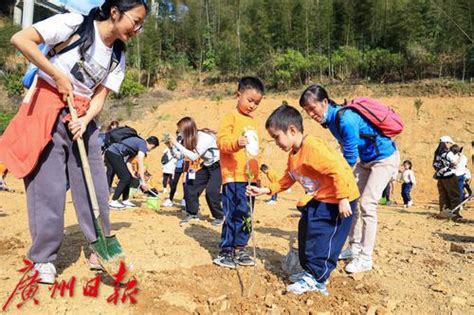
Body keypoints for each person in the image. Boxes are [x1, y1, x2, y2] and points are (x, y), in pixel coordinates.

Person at [0, 0, 149, 284]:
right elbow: (20, 39)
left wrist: (85, 119)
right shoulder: (74, 25)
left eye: (142, 24)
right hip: (47, 104)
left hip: (82, 116)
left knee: (95, 182)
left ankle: (100, 248)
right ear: (115, 12)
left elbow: (101, 96)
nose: (138, 29)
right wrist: (57, 75)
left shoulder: (118, 55)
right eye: (136, 21)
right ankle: (42, 258)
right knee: (49, 185)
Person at [247, 105, 359, 295]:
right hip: (321, 198)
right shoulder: (294, 155)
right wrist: (267, 189)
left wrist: (343, 198)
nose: (276, 142)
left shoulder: (313, 147)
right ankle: (309, 271)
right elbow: (288, 177)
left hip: (339, 201)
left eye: (276, 137)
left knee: (324, 240)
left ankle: (317, 280)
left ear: (292, 130)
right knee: (306, 230)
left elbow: (338, 169)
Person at [299, 84, 400, 273]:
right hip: (367, 160)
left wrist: (337, 181)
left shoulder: (345, 119)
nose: (311, 114)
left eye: (313, 108)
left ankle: (365, 257)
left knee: (367, 204)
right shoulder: (330, 122)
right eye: (307, 111)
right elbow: (346, 149)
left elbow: (350, 157)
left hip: (384, 159)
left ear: (325, 102)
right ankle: (354, 246)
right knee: (353, 199)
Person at [213, 76, 264, 269]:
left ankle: (240, 248)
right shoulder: (230, 117)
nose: (252, 105)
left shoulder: (254, 123)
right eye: (249, 100)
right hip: (233, 177)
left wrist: (257, 175)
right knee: (233, 213)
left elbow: (254, 152)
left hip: (250, 178)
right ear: (238, 95)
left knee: (246, 215)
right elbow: (221, 142)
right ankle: (226, 251)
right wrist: (236, 143)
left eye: (257, 103)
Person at [165, 117, 224, 225]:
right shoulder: (189, 139)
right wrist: (170, 147)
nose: (179, 134)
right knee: (190, 186)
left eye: (180, 131)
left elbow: (193, 156)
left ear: (187, 129)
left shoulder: (204, 137)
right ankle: (192, 213)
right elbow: (179, 156)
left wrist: (176, 143)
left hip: (218, 165)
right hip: (207, 165)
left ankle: (219, 216)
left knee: (211, 192)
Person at [105, 135, 159, 209]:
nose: (150, 150)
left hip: (114, 153)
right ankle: (114, 201)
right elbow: (140, 162)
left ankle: (125, 200)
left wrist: (132, 174)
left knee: (128, 177)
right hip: (113, 153)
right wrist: (143, 181)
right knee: (125, 177)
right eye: (152, 148)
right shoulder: (143, 145)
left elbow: (128, 162)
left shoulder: (138, 146)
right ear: (152, 145)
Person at [433, 136, 461, 215]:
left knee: (443, 195)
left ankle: (444, 212)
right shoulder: (448, 153)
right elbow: (455, 163)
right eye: (450, 143)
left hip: (440, 177)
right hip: (449, 176)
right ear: (446, 143)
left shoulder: (438, 154)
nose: (451, 145)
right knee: (455, 195)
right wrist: (460, 157)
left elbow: (435, 165)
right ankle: (455, 213)